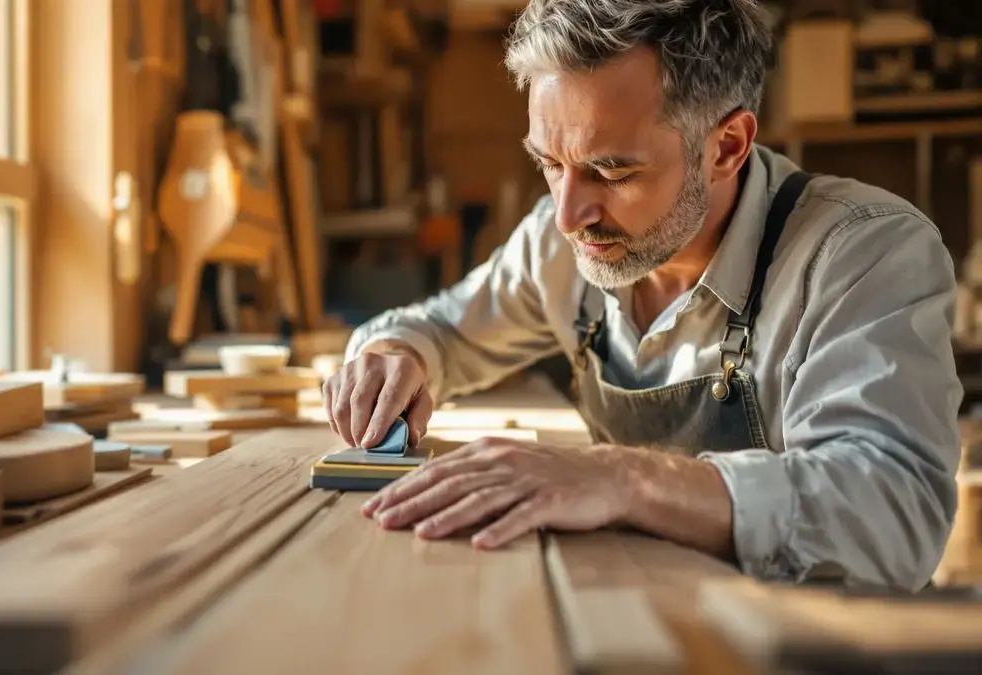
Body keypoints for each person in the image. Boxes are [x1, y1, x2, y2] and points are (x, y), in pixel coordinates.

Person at [322, 0, 963, 592]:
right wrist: (394, 353)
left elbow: (893, 512)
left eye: (613, 170)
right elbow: (443, 329)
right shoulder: (561, 246)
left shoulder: (862, 254)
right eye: (548, 162)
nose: (569, 213)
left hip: (808, 644)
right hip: (641, 619)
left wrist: (623, 476)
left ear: (727, 146)